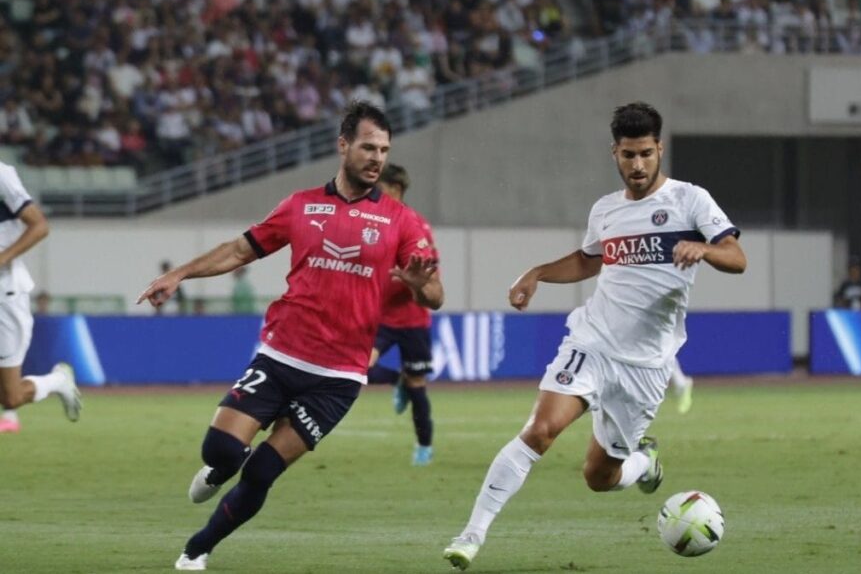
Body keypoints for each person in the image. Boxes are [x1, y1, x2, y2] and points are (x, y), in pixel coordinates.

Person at [137, 102, 444, 572]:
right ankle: (220, 469)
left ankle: (196, 550)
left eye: (383, 149)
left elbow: (436, 295)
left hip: (338, 376)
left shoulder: (403, 221)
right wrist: (180, 274)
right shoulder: (300, 205)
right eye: (367, 147)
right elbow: (241, 248)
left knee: (262, 471)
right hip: (281, 355)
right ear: (343, 146)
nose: (376, 157)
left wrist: (422, 283)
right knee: (221, 451)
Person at [443, 102, 747, 570]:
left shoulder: (691, 201)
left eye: (646, 153)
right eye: (629, 155)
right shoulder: (606, 210)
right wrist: (538, 273)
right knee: (539, 432)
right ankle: (471, 535)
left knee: (599, 477)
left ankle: (644, 463)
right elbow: (590, 259)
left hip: (645, 366)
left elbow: (737, 257)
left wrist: (705, 248)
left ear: (659, 149)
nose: (638, 165)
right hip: (592, 343)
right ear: (615, 153)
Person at [366, 163, 439, 466]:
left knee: (418, 387)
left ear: (395, 190)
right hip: (380, 317)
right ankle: (397, 380)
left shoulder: (414, 225)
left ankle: (424, 447)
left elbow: (427, 276)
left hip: (412, 320)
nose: (373, 195)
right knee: (359, 368)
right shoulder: (373, 220)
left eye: (378, 189)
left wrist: (405, 281)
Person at [0, 162, 81, 434]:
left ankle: (57, 381)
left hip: (5, 296)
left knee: (10, 397)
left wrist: (1, 260)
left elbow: (39, 226)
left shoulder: (1, 174)